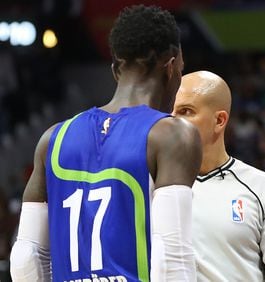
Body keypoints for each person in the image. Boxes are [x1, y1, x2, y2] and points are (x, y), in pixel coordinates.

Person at [9, 5, 201, 282]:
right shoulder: (170, 134)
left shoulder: (52, 138)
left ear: (115, 71)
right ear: (171, 68)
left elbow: (26, 256)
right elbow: (171, 258)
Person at [173, 70, 265, 281]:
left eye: (186, 111)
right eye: (169, 112)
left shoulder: (263, 187)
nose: (172, 120)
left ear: (219, 120)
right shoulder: (149, 185)